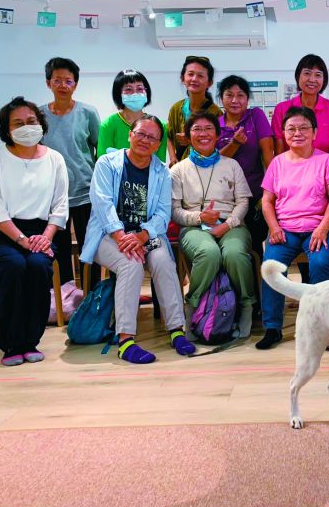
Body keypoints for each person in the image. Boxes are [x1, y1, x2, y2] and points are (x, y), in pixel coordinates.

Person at [81, 114, 195, 363]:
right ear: (130, 135)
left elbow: (163, 213)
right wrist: (122, 237)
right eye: (140, 134)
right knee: (130, 264)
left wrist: (142, 236)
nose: (145, 140)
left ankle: (177, 330)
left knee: (164, 262)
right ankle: (125, 340)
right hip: (109, 234)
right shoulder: (107, 163)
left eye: (152, 137)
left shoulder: (162, 172)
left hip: (146, 233)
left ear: (158, 144)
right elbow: (102, 203)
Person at [0, 97, 68, 366]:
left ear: (41, 124)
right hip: (0, 231)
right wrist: (21, 239)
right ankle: (10, 344)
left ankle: (30, 341)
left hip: (41, 232)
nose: (27, 127)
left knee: (39, 267)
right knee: (14, 266)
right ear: (6, 128)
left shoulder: (55, 159)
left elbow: (60, 205)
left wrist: (46, 236)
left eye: (32, 122)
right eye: (18, 123)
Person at [258, 106, 329, 349]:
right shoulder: (277, 163)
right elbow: (267, 201)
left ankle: (323, 328)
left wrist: (323, 228)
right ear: (284, 134)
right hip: (285, 230)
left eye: (304, 127)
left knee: (318, 264)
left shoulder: (325, 160)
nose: (297, 133)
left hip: (320, 227)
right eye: (291, 129)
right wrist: (274, 228)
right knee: (270, 269)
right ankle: (272, 327)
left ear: (315, 132)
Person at [171, 114, 255, 339]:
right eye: (197, 129)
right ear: (188, 137)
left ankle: (246, 306)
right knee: (208, 253)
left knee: (235, 253)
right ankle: (194, 307)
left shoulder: (232, 164)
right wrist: (200, 218)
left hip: (232, 224)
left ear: (218, 135)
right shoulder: (178, 170)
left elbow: (243, 202)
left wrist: (227, 225)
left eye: (209, 129)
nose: (203, 134)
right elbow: (175, 211)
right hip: (195, 227)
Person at [40, 57, 101, 287]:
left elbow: (99, 150)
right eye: (57, 80)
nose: (63, 85)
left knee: (90, 247)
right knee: (60, 250)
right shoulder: (39, 115)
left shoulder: (88, 113)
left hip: (85, 192)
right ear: (48, 83)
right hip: (53, 196)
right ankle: (66, 297)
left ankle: (91, 294)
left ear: (75, 84)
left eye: (68, 81)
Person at [215, 75, 274, 258]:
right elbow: (215, 162)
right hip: (225, 198)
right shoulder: (215, 125)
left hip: (255, 195)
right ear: (221, 98)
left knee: (255, 246)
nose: (235, 100)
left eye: (240, 95)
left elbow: (268, 153)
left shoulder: (255, 116)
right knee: (230, 246)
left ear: (247, 99)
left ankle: (256, 286)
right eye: (229, 95)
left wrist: (271, 190)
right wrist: (234, 143)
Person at [270, 54, 329, 155]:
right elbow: (279, 152)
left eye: (318, 75)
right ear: (298, 76)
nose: (312, 79)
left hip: (326, 168)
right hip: (291, 169)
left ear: (324, 80)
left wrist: (326, 169)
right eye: (307, 73)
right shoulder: (282, 109)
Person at [97, 69, 167, 162]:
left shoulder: (160, 126)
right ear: (119, 94)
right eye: (128, 89)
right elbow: (103, 162)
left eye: (139, 89)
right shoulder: (109, 125)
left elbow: (160, 163)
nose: (135, 93)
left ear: (146, 92)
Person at [166, 56, 222, 166]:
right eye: (190, 74)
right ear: (183, 78)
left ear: (209, 83)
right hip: (181, 168)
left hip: (206, 167)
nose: (194, 79)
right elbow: (169, 136)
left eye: (200, 75)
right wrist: (173, 157)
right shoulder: (176, 108)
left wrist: (191, 140)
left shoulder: (216, 112)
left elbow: (218, 142)